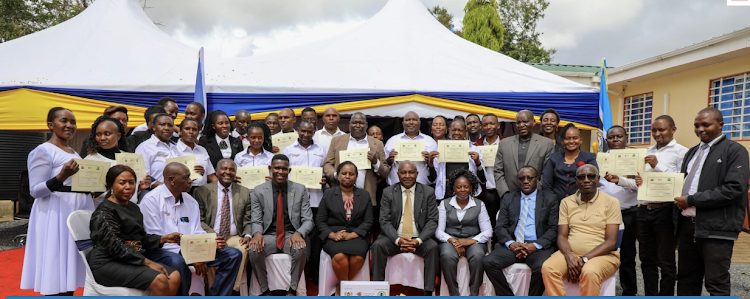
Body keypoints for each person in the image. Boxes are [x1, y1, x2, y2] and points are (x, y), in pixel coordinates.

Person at [671, 107, 749, 296]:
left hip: (717, 229)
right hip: (688, 227)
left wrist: (691, 200)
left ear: (721, 125)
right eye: (696, 126)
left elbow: (734, 189)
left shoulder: (735, 151)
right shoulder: (692, 152)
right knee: (687, 280)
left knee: (716, 283)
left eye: (706, 125)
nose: (700, 129)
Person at [21, 107, 95, 296]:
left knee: (70, 265)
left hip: (74, 210)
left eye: (73, 122)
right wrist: (61, 176)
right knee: (56, 266)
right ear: (50, 125)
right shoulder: (43, 151)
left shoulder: (73, 152)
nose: (70, 125)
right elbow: (35, 190)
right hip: (55, 213)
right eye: (64, 121)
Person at [140, 162, 242, 296]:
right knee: (178, 262)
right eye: (186, 178)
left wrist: (210, 244)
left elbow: (197, 231)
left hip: (191, 249)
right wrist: (192, 255)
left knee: (233, 254)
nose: (191, 181)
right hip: (161, 251)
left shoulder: (190, 200)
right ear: (171, 179)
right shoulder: (151, 200)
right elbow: (156, 238)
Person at [87, 165, 182, 295]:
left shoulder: (133, 208)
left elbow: (140, 238)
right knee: (160, 279)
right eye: (122, 183)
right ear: (110, 186)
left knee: (174, 276)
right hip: (107, 263)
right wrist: (147, 263)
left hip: (129, 259)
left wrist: (163, 239)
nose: (128, 187)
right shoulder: (104, 211)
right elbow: (115, 246)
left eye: (131, 182)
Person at [541, 164, 622, 296]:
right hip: (572, 254)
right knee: (548, 268)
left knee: (589, 271)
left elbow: (611, 242)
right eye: (581, 177)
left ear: (598, 179)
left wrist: (584, 259)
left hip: (603, 256)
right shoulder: (566, 202)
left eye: (591, 176)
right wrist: (569, 257)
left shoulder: (611, 202)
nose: (586, 180)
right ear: (576, 180)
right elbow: (562, 236)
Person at [483, 166, 558, 296]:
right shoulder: (509, 198)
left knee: (542, 267)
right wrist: (511, 243)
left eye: (530, 178)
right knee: (488, 262)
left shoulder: (550, 199)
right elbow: (500, 227)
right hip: (513, 246)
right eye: (522, 178)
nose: (525, 181)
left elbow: (553, 228)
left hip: (538, 246)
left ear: (537, 179)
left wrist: (535, 245)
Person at [634, 115, 687, 296]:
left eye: (661, 130)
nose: (657, 134)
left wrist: (657, 166)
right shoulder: (647, 150)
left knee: (666, 261)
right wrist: (629, 181)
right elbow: (642, 183)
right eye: (654, 130)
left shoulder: (682, 152)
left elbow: (682, 182)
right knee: (646, 259)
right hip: (644, 211)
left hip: (666, 211)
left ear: (673, 129)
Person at [247, 154, 313, 296]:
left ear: (289, 171)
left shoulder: (300, 189)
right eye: (277, 168)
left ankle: (292, 290)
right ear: (270, 169)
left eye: (284, 169)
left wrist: (299, 233)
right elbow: (256, 219)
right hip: (269, 235)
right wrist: (257, 233)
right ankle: (264, 290)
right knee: (254, 249)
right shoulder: (259, 190)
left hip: (291, 235)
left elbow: (308, 220)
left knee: (300, 248)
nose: (280, 172)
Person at [372, 161, 439, 295]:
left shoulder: (428, 192)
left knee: (432, 247)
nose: (407, 176)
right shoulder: (388, 192)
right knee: (378, 245)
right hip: (395, 239)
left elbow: (432, 221)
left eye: (411, 172)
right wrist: (397, 240)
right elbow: (384, 220)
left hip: (419, 239)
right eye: (403, 172)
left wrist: (418, 240)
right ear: (398, 175)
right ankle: (377, 289)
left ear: (417, 174)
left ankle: (428, 291)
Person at [193, 159, 252, 294]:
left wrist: (248, 235)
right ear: (216, 171)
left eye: (231, 170)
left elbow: (248, 219)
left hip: (233, 236)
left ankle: (231, 289)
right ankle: (216, 291)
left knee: (243, 248)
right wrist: (214, 236)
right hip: (210, 235)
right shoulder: (202, 191)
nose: (228, 172)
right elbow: (199, 220)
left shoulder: (243, 192)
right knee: (214, 250)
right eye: (224, 169)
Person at [316, 161, 373, 295]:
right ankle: (346, 287)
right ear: (338, 176)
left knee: (358, 257)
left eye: (351, 174)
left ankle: (341, 287)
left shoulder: (364, 195)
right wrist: (332, 235)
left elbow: (368, 221)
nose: (347, 176)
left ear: (356, 176)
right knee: (340, 256)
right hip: (334, 236)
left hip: (356, 236)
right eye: (344, 173)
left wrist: (353, 234)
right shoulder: (329, 194)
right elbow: (320, 221)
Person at [283, 120, 328, 283]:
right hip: (294, 201)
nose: (306, 135)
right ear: (297, 130)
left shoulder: (321, 150)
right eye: (303, 131)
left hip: (316, 200)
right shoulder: (288, 150)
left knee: (316, 239)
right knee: (295, 235)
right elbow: (283, 174)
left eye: (309, 132)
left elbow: (326, 171)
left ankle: (315, 274)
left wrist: (324, 180)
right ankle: (293, 274)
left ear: (314, 132)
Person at [436, 169, 492, 296]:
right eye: (459, 187)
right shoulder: (444, 204)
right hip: (450, 240)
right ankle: (453, 293)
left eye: (466, 187)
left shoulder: (479, 204)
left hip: (473, 240)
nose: (462, 190)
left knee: (478, 256)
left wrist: (471, 241)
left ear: (471, 187)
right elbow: (439, 231)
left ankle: (474, 292)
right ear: (453, 188)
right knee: (447, 256)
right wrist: (453, 241)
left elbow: (488, 230)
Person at [598, 125, 638, 296]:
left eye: (619, 136)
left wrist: (625, 179)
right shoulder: (600, 159)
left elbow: (642, 186)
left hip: (628, 213)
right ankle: (603, 290)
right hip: (604, 215)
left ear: (626, 138)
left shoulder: (636, 159)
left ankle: (629, 292)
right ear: (607, 140)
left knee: (627, 256)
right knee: (603, 252)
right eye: (611, 137)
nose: (615, 140)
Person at [323, 112, 389, 208]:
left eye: (361, 123)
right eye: (354, 122)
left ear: (366, 125)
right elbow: (328, 164)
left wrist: (376, 162)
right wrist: (337, 175)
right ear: (349, 124)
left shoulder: (377, 144)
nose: (357, 125)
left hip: (366, 196)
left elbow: (385, 172)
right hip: (340, 195)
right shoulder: (336, 141)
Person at [84, 115, 151, 206]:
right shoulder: (90, 161)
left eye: (107, 134)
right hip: (104, 213)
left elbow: (134, 192)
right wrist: (103, 189)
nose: (102, 138)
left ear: (118, 136)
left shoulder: (131, 159)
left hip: (130, 211)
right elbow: (87, 196)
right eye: (98, 134)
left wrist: (140, 187)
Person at [428, 117, 486, 200]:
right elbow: (433, 178)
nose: (456, 133)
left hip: (468, 193)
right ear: (449, 131)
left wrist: (478, 162)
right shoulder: (441, 149)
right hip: (446, 193)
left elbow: (482, 178)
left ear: (465, 132)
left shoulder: (474, 149)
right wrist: (430, 164)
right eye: (454, 130)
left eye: (460, 130)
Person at [542, 123, 598, 201]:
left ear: (581, 140)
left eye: (575, 138)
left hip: (582, 202)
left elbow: (594, 181)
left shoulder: (589, 157)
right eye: (567, 138)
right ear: (562, 141)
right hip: (556, 204)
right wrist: (552, 202)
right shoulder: (554, 157)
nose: (571, 141)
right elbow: (547, 185)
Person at [135, 113, 181, 185]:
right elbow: (143, 177)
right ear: (153, 127)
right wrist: (166, 188)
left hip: (177, 192)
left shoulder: (176, 147)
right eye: (162, 124)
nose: (166, 128)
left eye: (170, 125)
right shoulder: (145, 147)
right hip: (153, 193)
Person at [176, 118, 217, 190]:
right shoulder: (174, 150)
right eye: (187, 129)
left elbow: (210, 176)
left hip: (202, 191)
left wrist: (224, 188)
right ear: (180, 131)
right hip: (182, 191)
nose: (191, 132)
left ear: (198, 132)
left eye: (194, 129)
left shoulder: (202, 150)